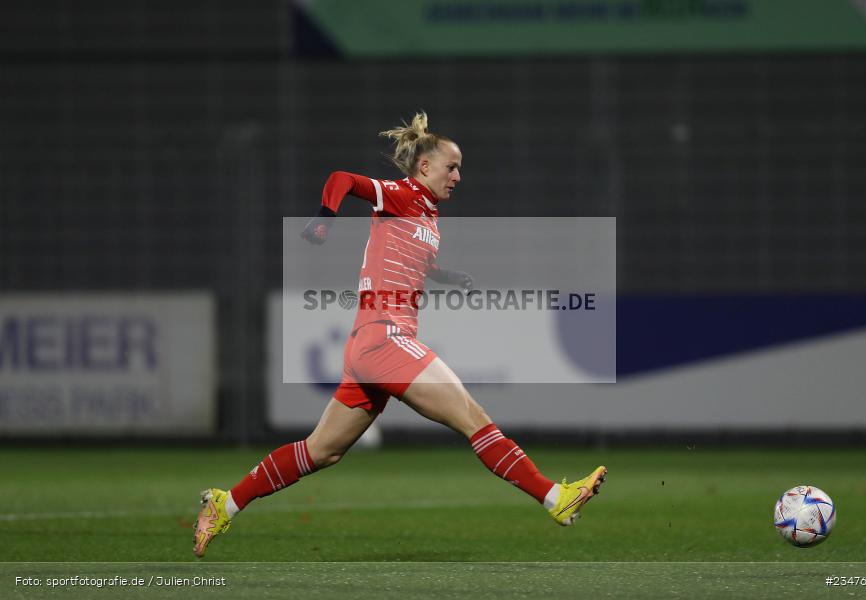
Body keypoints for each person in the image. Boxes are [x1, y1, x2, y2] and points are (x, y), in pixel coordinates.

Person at [192, 112, 606, 558]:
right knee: (474, 418)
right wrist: (324, 219)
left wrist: (446, 276)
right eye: (452, 166)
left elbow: (414, 263)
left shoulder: (426, 215)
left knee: (321, 451)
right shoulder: (403, 194)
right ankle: (554, 499)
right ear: (424, 167)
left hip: (367, 344)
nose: (459, 176)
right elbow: (343, 179)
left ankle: (225, 503)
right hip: (385, 336)